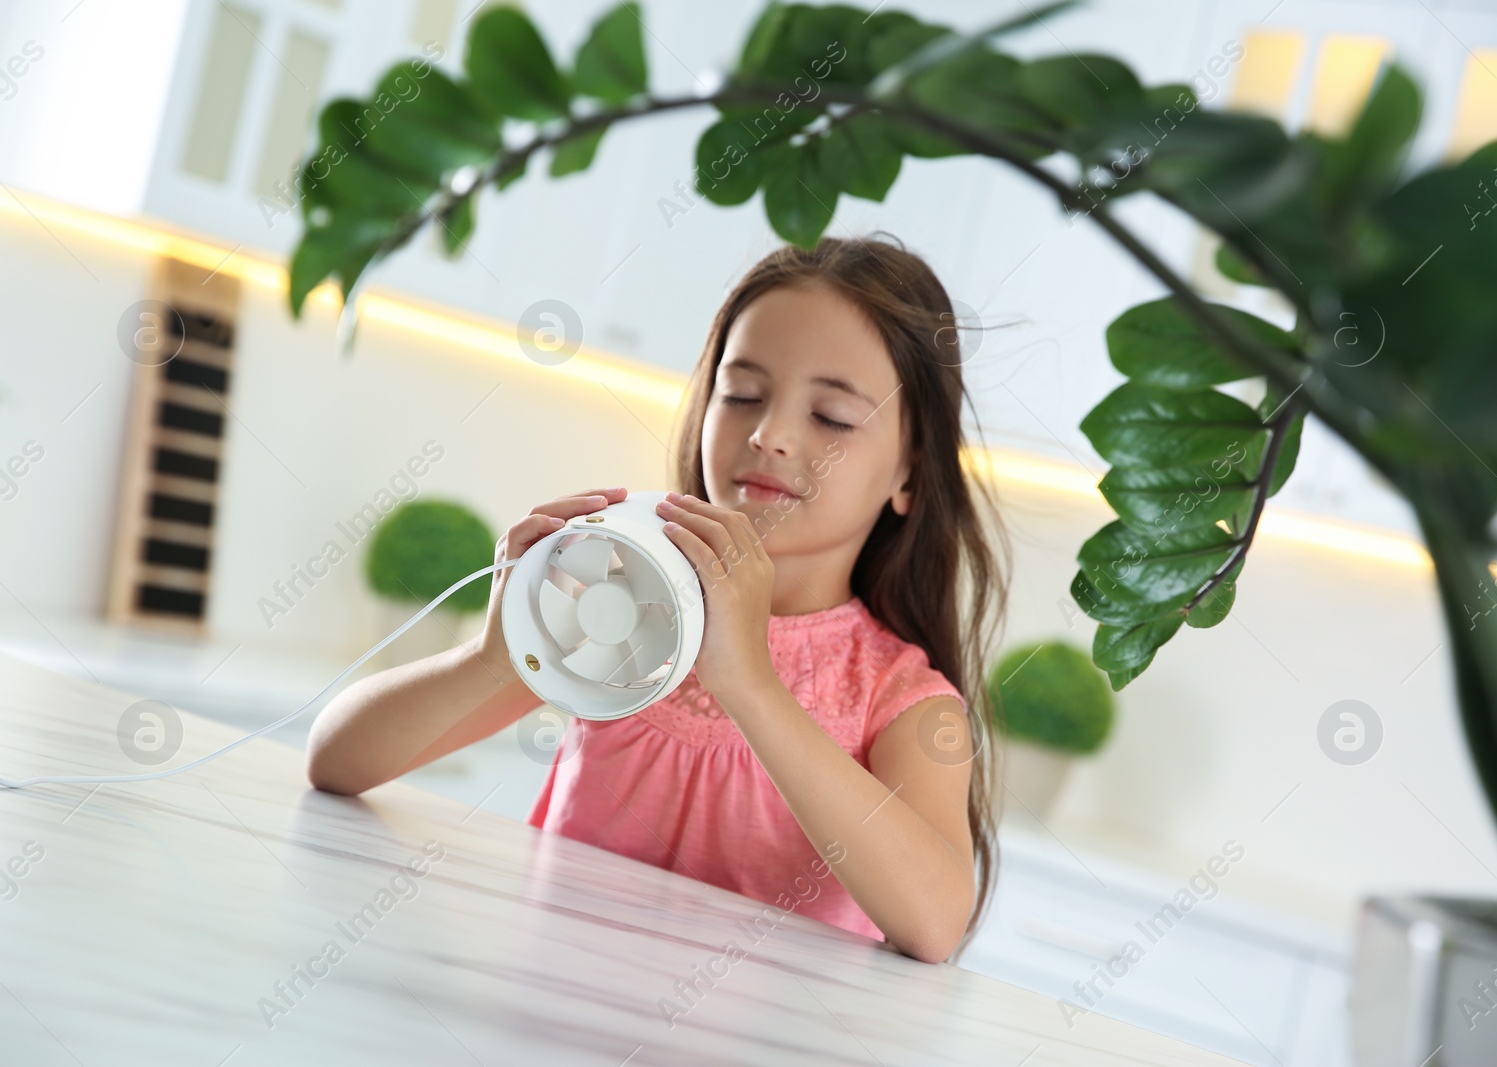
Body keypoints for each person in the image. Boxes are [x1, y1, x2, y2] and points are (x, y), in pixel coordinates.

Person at [306, 234, 1011, 965]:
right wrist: (498, 654)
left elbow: (932, 922)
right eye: (741, 395)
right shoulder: (623, 601)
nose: (768, 434)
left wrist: (750, 684)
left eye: (831, 416)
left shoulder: (901, 698)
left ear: (911, 475)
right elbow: (337, 760)